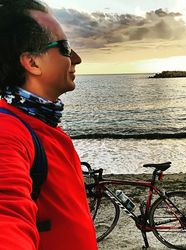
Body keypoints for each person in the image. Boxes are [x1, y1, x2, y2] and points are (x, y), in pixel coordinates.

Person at [0, 0, 97, 249]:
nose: (77, 58)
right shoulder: (8, 132)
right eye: (65, 48)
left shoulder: (45, 124)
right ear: (32, 63)